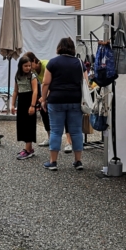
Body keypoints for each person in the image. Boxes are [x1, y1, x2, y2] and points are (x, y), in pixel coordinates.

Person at [40, 37, 86, 171]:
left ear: (59, 47)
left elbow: (46, 83)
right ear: (72, 48)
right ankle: (78, 161)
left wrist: (43, 99)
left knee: (55, 131)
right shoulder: (79, 62)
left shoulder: (53, 63)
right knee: (76, 131)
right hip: (75, 101)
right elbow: (86, 83)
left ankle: (53, 162)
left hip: (56, 100)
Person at [25, 51, 73, 152]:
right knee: (43, 111)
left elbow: (50, 82)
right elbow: (40, 84)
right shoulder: (34, 71)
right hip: (50, 92)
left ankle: (69, 142)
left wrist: (44, 97)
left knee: (64, 114)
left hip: (59, 89)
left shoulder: (46, 65)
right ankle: (50, 137)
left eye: (30, 65)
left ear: (35, 60)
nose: (29, 67)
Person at [11, 56, 38, 159]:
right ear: (20, 66)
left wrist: (32, 105)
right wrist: (13, 104)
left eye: (29, 66)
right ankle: (29, 148)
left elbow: (35, 91)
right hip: (21, 101)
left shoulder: (32, 76)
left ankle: (27, 150)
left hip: (29, 100)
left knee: (29, 125)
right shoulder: (17, 76)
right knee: (22, 124)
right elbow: (15, 91)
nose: (27, 68)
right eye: (25, 66)